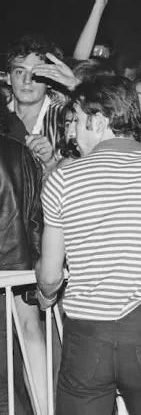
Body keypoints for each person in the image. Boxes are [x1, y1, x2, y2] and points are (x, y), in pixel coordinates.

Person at [36, 76, 141, 415]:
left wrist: (47, 294)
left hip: (86, 335)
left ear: (98, 121)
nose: (73, 133)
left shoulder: (64, 179)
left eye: (79, 122)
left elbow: (51, 274)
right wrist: (139, 304)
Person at [0, 103, 47, 415]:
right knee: (30, 337)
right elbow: (34, 219)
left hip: (15, 266)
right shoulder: (17, 152)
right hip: (16, 266)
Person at [5, 36, 66, 169]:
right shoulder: (2, 115)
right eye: (20, 72)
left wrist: (50, 162)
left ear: (50, 80)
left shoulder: (66, 120)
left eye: (36, 73)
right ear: (9, 78)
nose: (27, 80)